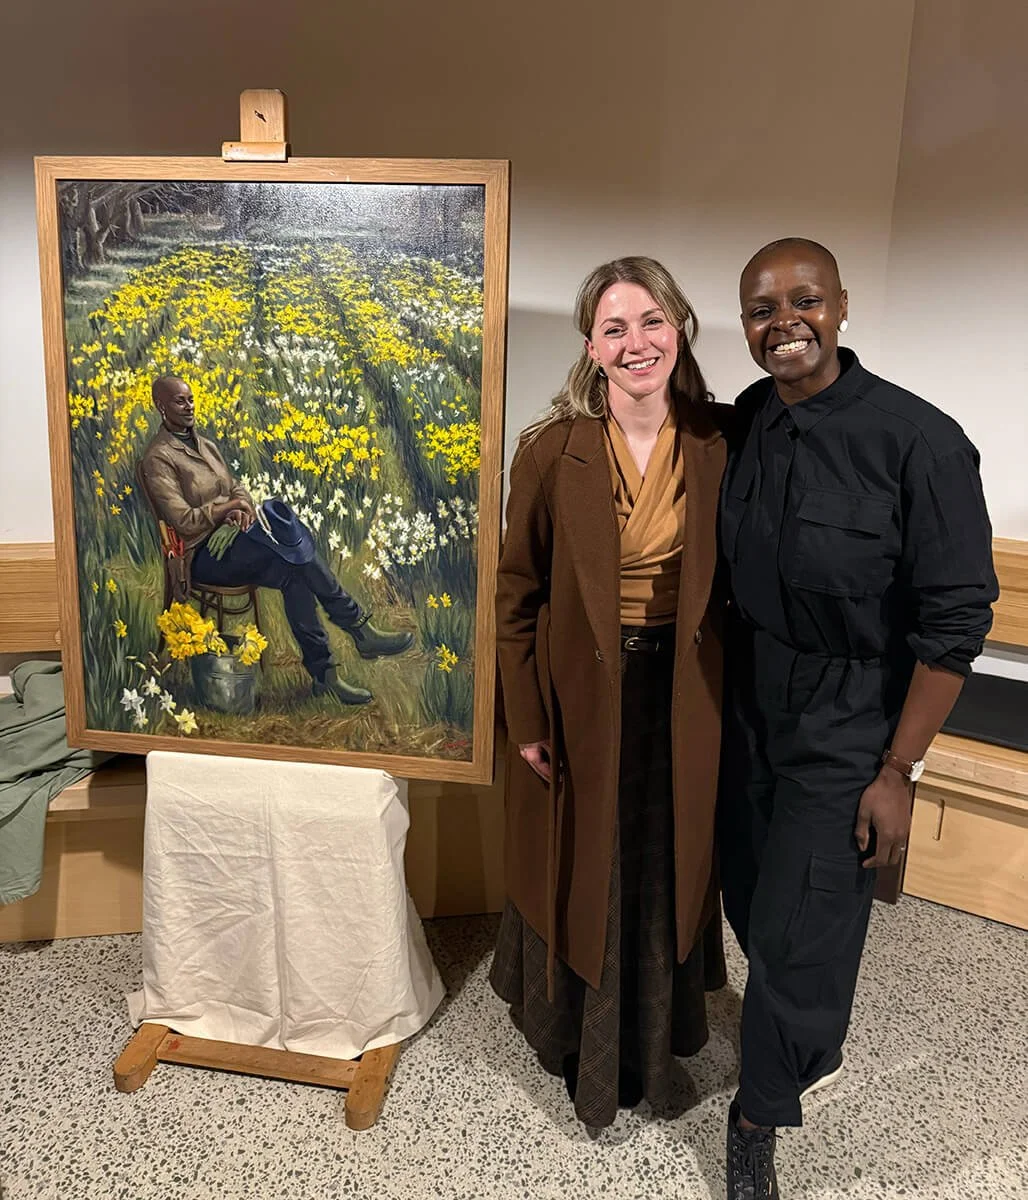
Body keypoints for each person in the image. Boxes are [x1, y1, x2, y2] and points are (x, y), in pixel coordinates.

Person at [717, 238, 997, 1198]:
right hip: (749, 698)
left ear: (842, 306)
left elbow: (956, 623)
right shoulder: (751, 418)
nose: (782, 321)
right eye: (761, 307)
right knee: (752, 894)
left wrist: (899, 771)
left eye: (804, 300)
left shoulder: (918, 441)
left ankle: (756, 1121)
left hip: (851, 717)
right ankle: (803, 1039)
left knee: (800, 926)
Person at [490, 257, 730, 1128]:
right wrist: (525, 720)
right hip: (580, 698)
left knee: (666, 857)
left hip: (686, 694)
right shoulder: (552, 452)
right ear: (592, 347)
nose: (638, 343)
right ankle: (577, 1040)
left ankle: (658, 1037)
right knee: (591, 861)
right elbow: (516, 597)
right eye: (617, 328)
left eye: (653, 321)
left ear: (680, 328)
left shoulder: (722, 440)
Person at [139, 376, 412, 704]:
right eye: (180, 401)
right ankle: (355, 629)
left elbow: (236, 487)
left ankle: (327, 674)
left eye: (191, 399)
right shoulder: (159, 457)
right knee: (292, 557)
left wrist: (239, 509)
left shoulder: (206, 445)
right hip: (200, 557)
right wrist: (229, 508)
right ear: (161, 406)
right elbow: (182, 520)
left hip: (234, 540)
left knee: (293, 568)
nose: (189, 406)